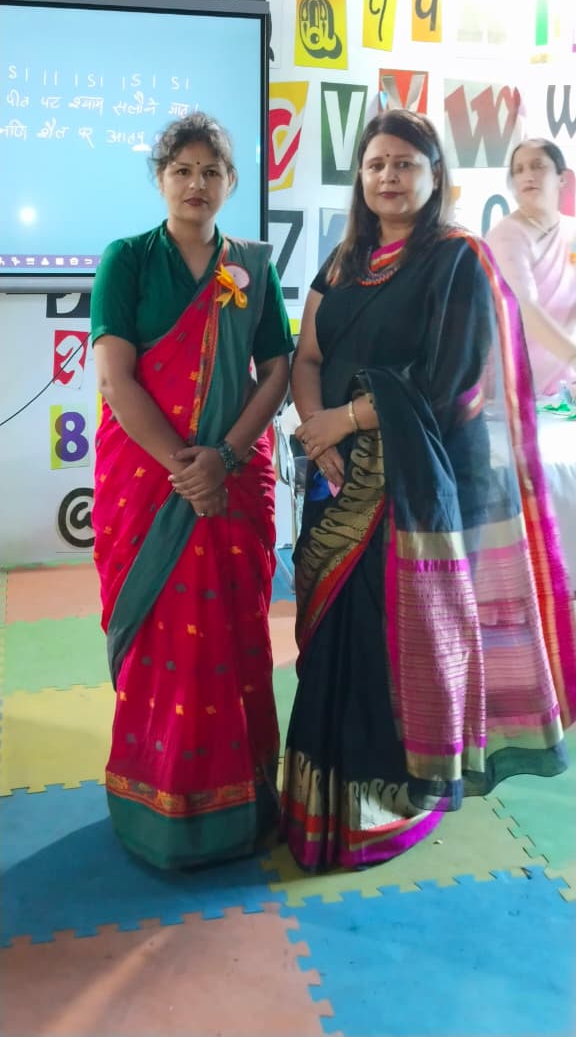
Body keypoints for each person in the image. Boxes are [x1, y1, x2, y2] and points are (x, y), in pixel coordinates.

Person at [281, 109, 576, 873]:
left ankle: (382, 807)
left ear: (434, 174)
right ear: (361, 175)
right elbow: (307, 356)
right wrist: (319, 432)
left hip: (415, 489)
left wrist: (345, 420)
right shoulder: (344, 260)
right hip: (336, 474)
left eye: (406, 163)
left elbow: (450, 384)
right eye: (377, 163)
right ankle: (316, 804)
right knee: (331, 640)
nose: (389, 176)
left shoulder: (457, 259)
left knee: (392, 644)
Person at [90, 112, 292, 869]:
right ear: (160, 179)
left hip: (231, 478)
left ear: (231, 182)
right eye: (182, 170)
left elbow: (277, 370)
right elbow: (116, 380)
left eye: (211, 171)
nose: (196, 184)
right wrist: (188, 468)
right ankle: (159, 813)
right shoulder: (128, 260)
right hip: (148, 481)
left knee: (234, 637)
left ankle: (239, 810)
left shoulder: (252, 267)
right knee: (162, 641)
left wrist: (225, 459)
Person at [486, 139, 576, 397]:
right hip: (513, 383)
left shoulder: (571, 231)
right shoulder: (507, 235)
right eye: (519, 169)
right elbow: (523, 309)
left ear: (561, 178)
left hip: (561, 381)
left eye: (538, 166)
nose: (528, 175)